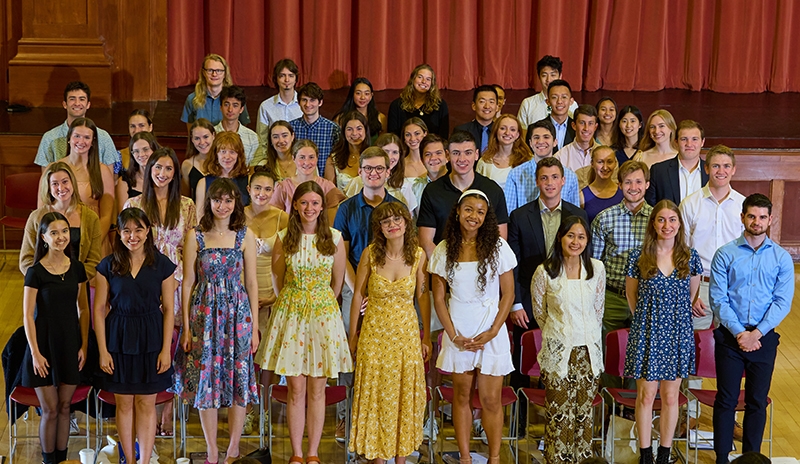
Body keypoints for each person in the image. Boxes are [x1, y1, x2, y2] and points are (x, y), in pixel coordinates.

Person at [260, 181, 352, 464]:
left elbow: (337, 283)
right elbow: (277, 278)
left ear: (322, 207)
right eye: (304, 203)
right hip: (292, 315)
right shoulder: (284, 237)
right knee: (296, 389)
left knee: (317, 390)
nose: (309, 208)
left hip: (323, 316)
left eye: (314, 203)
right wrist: (294, 301)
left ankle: (313, 452)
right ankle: (297, 453)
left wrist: (319, 302)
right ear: (296, 206)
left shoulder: (334, 238)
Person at [429, 190, 517, 464]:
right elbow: (439, 298)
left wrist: (493, 331)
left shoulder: (498, 247)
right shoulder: (444, 249)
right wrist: (453, 335)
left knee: (491, 399)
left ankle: (494, 458)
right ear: (457, 211)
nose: (474, 216)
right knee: (462, 396)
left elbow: (508, 294)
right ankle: (465, 457)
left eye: (480, 212)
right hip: (459, 331)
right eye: (469, 209)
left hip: (491, 330)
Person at [176, 178, 259, 464]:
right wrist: (187, 326)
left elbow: (251, 282)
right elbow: (188, 282)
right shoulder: (195, 236)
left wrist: (254, 327)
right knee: (207, 381)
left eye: (228, 200)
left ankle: (233, 449)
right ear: (209, 202)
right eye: (217, 200)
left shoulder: (245, 235)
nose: (222, 206)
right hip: (205, 315)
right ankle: (212, 449)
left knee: (239, 379)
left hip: (237, 314)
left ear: (236, 203)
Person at [710, 193, 794, 464]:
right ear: (742, 217)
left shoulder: (781, 258)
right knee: (726, 399)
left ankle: (751, 459)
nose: (756, 222)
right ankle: (722, 459)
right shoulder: (725, 254)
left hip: (763, 337)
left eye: (762, 217)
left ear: (770, 220)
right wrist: (740, 333)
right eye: (751, 216)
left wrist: (756, 334)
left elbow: (782, 302)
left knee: (757, 400)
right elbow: (718, 299)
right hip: (730, 337)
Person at [507, 157, 588, 432]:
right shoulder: (520, 216)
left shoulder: (578, 215)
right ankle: (518, 427)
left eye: (555, 177)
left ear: (563, 181)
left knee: (558, 367)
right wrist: (516, 303)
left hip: (565, 304)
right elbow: (513, 264)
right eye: (544, 178)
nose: (550, 183)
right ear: (537, 181)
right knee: (522, 364)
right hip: (527, 304)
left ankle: (552, 428)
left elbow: (583, 262)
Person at [348, 202, 431, 463]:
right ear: (379, 228)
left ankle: (401, 459)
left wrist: (427, 336)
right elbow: (358, 295)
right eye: (386, 221)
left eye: (397, 219)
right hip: (374, 335)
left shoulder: (418, 256)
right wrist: (353, 335)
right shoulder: (370, 254)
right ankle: (377, 457)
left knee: (403, 396)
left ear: (407, 223)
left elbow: (423, 297)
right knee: (376, 396)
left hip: (406, 336)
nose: (392, 225)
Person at [94, 208, 176, 464]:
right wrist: (103, 350)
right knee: (124, 404)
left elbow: (169, 309)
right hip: (118, 338)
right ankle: (129, 460)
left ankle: (145, 461)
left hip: (151, 337)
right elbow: (99, 309)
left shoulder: (162, 264)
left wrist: (165, 350)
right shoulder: (107, 265)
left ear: (148, 231)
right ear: (118, 233)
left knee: (146, 404)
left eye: (138, 230)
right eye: (126, 231)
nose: (133, 236)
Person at [124, 147, 196, 437]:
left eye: (168, 169)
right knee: (152, 342)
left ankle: (169, 409)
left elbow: (192, 247)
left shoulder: (187, 205)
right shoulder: (135, 203)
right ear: (148, 170)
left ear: (175, 173)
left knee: (177, 345)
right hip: (146, 279)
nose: (162, 174)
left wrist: (186, 279)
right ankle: (149, 408)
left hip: (179, 279)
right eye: (157, 168)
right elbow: (127, 244)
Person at [624, 200, 702, 464]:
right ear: (653, 224)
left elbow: (691, 296)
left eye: (672, 220)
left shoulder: (690, 257)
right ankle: (646, 454)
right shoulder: (638, 256)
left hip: (677, 333)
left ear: (679, 224)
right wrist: (648, 321)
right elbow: (631, 296)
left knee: (670, 397)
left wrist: (671, 319)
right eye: (661, 219)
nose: (666, 225)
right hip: (647, 332)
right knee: (646, 396)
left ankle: (664, 455)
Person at [332, 147, 401, 440]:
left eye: (379, 168)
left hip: (391, 293)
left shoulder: (398, 208)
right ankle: (345, 418)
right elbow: (341, 256)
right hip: (354, 290)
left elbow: (404, 254)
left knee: (386, 356)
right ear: (360, 172)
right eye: (368, 169)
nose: (374, 173)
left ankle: (382, 418)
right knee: (351, 351)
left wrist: (382, 290)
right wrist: (359, 291)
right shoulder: (346, 208)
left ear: (388, 171)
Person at [531, 216, 606, 463]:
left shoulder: (597, 269)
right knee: (559, 416)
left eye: (581, 237)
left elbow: (598, 310)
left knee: (584, 417)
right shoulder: (545, 271)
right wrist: (560, 332)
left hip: (588, 353)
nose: (576, 242)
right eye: (570, 236)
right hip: (559, 352)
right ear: (560, 238)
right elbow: (540, 312)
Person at [21, 211, 89, 464]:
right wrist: (35, 354)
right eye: (54, 233)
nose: (61, 237)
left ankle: (61, 459)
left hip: (69, 342)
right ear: (43, 238)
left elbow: (83, 309)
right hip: (43, 345)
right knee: (49, 410)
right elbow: (28, 315)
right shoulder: (35, 272)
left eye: (65, 231)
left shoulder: (77, 268)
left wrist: (84, 345)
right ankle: (48, 460)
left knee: (64, 408)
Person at [679, 145, 745, 330]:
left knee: (729, 341)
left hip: (733, 285)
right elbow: (681, 251)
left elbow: (748, 251)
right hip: (700, 285)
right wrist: (691, 293)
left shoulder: (743, 205)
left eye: (726, 166)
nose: (721, 171)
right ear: (706, 168)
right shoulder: (690, 204)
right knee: (696, 341)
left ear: (733, 169)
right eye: (716, 166)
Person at [418, 131, 509, 258]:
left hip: (483, 263)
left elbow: (500, 239)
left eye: (468, 153)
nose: (462, 159)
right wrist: (444, 265)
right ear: (448, 155)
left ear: (476, 155)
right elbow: (426, 241)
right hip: (443, 263)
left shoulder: (493, 190)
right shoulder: (432, 191)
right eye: (456, 153)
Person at [591, 160, 653, 338]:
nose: (633, 187)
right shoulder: (604, 218)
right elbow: (595, 264)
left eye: (638, 182)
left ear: (647, 184)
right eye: (628, 182)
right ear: (619, 185)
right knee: (608, 347)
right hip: (612, 297)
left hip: (645, 297)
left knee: (643, 349)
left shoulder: (657, 219)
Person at [20, 163, 102, 280]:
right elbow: (25, 260)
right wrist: (48, 281)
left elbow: (94, 261)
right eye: (55, 184)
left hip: (78, 283)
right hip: (44, 285)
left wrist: (70, 281)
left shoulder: (91, 218)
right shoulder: (36, 217)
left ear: (72, 182)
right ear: (48, 188)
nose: (61, 188)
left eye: (65, 182)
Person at [46, 118, 115, 256]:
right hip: (59, 240)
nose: (81, 141)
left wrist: (92, 243)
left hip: (94, 238)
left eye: (87, 137)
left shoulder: (102, 171)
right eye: (77, 136)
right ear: (69, 138)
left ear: (93, 141)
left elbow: (107, 215)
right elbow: (43, 209)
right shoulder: (53, 169)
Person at [35, 81, 119, 170]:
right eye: (72, 99)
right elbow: (45, 175)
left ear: (88, 104)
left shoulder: (103, 137)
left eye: (82, 99)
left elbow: (111, 174)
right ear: (64, 104)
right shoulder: (49, 138)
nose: (77, 103)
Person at [505, 119, 580, 211]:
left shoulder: (570, 177)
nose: (540, 141)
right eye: (536, 137)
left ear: (555, 142)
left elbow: (574, 213)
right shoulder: (515, 175)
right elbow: (509, 213)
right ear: (530, 143)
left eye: (546, 137)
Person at [270, 139, 346, 224]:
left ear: (317, 158)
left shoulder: (328, 187)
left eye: (311, 157)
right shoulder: (282, 187)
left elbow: (331, 223)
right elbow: (275, 219)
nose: (306, 162)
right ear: (293, 158)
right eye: (302, 157)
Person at [344, 133, 418, 215]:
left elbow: (407, 217)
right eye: (386, 151)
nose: (390, 156)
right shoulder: (357, 182)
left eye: (395, 152)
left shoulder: (404, 185)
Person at [645, 120, 708, 206]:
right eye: (684, 139)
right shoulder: (658, 171)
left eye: (694, 139)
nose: (689, 144)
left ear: (702, 142)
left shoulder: (712, 171)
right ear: (676, 142)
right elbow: (650, 207)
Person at [181, 54, 250, 128]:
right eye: (210, 70)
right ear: (203, 73)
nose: (214, 74)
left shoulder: (236, 98)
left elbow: (242, 128)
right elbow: (191, 131)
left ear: (225, 73)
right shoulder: (192, 99)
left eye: (218, 71)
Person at [196, 131, 251, 220]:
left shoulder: (248, 180)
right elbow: (200, 216)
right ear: (216, 154)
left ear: (239, 155)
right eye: (223, 151)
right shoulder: (203, 183)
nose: (227, 157)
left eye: (232, 152)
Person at [290, 82, 341, 177]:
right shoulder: (291, 127)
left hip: (324, 181)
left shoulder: (332, 129)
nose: (308, 104)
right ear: (299, 102)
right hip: (296, 180)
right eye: (304, 100)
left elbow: (337, 159)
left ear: (320, 102)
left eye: (312, 100)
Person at [517, 56, 579, 133]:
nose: (548, 80)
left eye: (553, 75)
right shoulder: (528, 104)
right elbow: (521, 133)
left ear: (560, 76)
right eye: (544, 75)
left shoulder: (572, 105)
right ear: (539, 77)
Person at [388, 64, 450, 138]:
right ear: (413, 79)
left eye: (428, 79)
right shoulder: (397, 105)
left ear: (432, 83)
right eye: (420, 77)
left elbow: (443, 137)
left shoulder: (440, 105)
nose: (424, 81)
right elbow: (392, 137)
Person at [476, 114, 532, 190]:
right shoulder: (484, 162)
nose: (507, 133)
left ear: (517, 135)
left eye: (512, 130)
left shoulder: (528, 160)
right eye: (503, 128)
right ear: (496, 131)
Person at [214, 85, 265, 167]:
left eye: (235, 105)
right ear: (220, 107)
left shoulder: (253, 138)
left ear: (241, 109)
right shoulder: (211, 135)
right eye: (226, 104)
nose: (230, 109)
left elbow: (255, 168)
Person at [257, 58, 302, 141]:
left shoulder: (304, 104)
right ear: (276, 79)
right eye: (282, 76)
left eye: (291, 76)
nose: (287, 80)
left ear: (296, 79)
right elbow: (262, 140)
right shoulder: (266, 106)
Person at [326, 110, 371, 191]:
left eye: (359, 128)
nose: (354, 133)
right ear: (343, 132)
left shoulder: (374, 157)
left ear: (365, 130)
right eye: (349, 129)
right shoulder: (333, 159)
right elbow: (329, 192)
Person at [116, 132, 160, 213]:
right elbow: (123, 215)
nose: (141, 154)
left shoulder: (163, 178)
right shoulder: (124, 180)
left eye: (145, 149)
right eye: (136, 151)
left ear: (154, 150)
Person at [333, 77, 387, 141]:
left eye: (366, 94)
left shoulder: (380, 118)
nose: (362, 97)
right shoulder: (340, 119)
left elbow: (383, 143)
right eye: (358, 93)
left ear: (371, 96)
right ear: (352, 95)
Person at [579, 146, 623, 223]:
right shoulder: (582, 196)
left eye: (609, 162)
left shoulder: (623, 193)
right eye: (600, 162)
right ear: (592, 163)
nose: (605, 167)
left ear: (615, 164)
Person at [454, 85, 498, 153]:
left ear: (497, 107)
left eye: (491, 102)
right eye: (482, 101)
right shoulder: (461, 131)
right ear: (473, 106)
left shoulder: (500, 132)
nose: (487, 106)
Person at [557, 104, 599, 175]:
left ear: (595, 127)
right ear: (574, 126)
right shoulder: (560, 157)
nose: (586, 128)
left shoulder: (606, 155)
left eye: (590, 123)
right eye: (582, 123)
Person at [410, 134, 448, 209]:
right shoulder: (415, 189)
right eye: (428, 154)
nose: (433, 158)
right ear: (422, 160)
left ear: (447, 156)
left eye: (438, 153)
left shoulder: (457, 185)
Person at [181, 118, 216, 199]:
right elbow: (186, 198)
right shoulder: (187, 165)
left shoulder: (223, 161)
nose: (202, 142)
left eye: (206, 137)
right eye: (197, 138)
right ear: (192, 140)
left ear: (213, 136)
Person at [544, 80, 577, 151]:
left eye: (564, 97)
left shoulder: (577, 128)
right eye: (554, 97)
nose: (559, 101)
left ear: (571, 101)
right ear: (548, 102)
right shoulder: (536, 128)